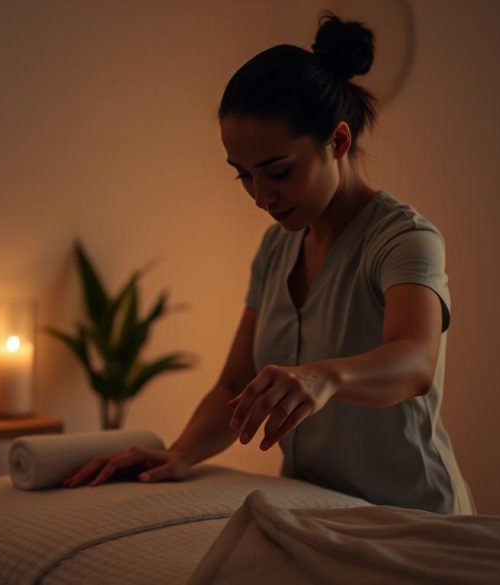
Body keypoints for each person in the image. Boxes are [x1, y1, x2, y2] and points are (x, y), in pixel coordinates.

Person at [63, 12, 475, 515]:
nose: (261, 196)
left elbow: (415, 361)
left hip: (415, 517)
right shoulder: (275, 250)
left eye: (277, 172)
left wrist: (325, 377)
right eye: (244, 177)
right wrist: (180, 453)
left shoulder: (405, 240)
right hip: (316, 512)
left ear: (338, 142)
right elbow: (236, 385)